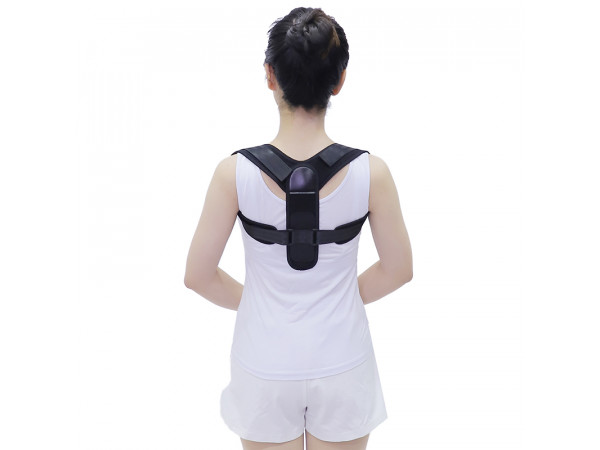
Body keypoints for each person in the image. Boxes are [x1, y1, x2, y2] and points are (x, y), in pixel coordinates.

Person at [184, 7, 413, 450]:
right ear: (339, 80)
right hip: (343, 361)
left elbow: (197, 276)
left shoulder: (233, 174)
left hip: (264, 362)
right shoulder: (373, 174)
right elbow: (399, 269)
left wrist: (263, 302)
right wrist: (336, 297)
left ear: (270, 75)